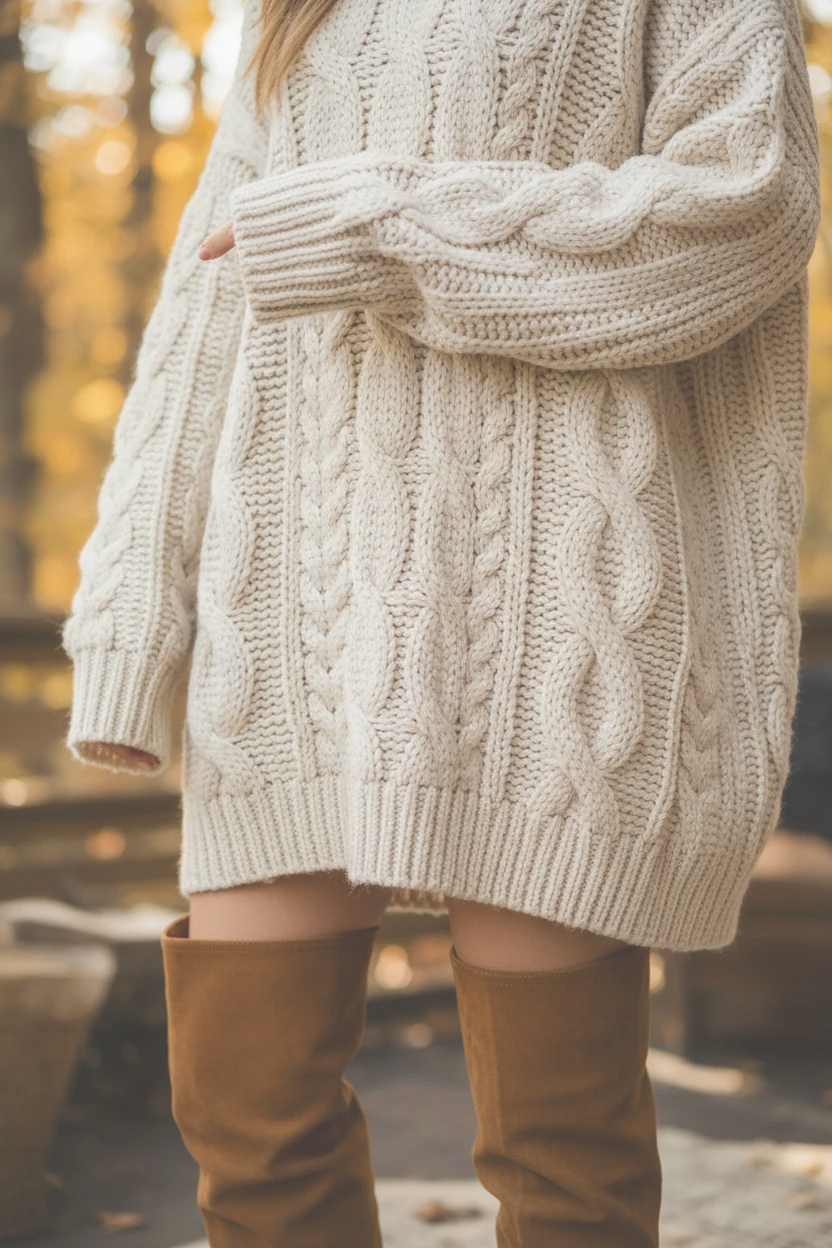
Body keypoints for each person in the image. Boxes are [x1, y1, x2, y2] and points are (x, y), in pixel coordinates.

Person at [62, 0, 821, 1243]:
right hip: (288, 624)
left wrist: (378, 227)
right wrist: (130, 626)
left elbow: (741, 217)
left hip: (555, 631)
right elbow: (202, 321)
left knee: (563, 1156)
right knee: (249, 1120)